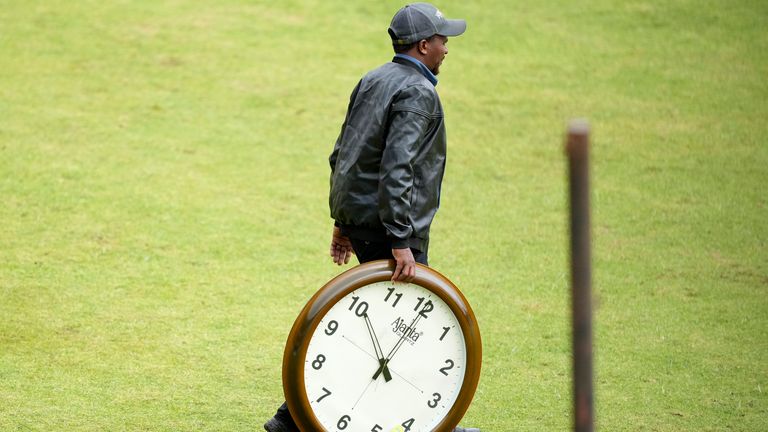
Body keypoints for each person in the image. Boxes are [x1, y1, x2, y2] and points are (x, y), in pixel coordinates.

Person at [265, 3, 479, 431]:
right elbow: (397, 167)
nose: (446, 48)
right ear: (423, 45)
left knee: (378, 327)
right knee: (408, 323)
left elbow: (344, 152)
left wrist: (344, 223)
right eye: (442, 40)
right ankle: (436, 422)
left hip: (364, 221)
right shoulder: (418, 93)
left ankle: (289, 420)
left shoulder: (374, 79)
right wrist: (401, 239)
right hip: (393, 228)